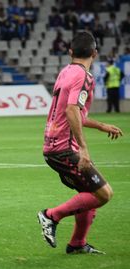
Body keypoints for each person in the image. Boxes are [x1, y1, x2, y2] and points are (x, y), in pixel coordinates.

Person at [38, 31, 123, 255]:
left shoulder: (66, 71)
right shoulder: (85, 77)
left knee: (88, 196)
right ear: (95, 53)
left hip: (53, 146)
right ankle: (50, 215)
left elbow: (75, 112)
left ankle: (77, 244)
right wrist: (84, 148)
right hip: (64, 149)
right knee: (103, 194)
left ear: (70, 52)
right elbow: (72, 110)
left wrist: (102, 126)